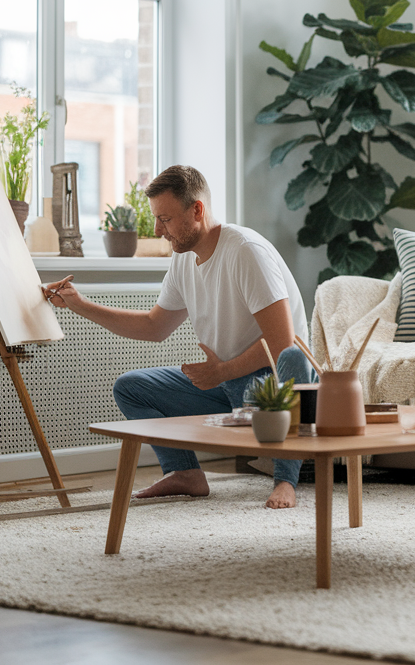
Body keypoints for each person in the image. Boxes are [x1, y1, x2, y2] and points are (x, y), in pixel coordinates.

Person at [46, 165, 313, 509]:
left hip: (275, 384)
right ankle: (185, 473)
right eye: (157, 219)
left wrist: (222, 372)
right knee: (130, 387)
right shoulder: (183, 260)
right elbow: (154, 327)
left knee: (294, 358)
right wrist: (80, 305)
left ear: (197, 210)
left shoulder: (245, 251)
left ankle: (286, 480)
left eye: (165, 219)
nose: (158, 230)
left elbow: (282, 344)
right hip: (228, 385)